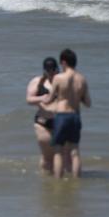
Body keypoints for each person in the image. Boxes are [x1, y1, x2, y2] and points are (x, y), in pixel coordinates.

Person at [42, 48, 92, 179]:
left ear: (64, 62)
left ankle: (58, 182)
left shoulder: (59, 78)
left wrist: (40, 100)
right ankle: (76, 181)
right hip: (75, 116)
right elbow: (88, 103)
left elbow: (49, 99)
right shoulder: (82, 79)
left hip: (62, 116)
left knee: (58, 151)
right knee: (75, 151)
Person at [26, 57, 59, 175]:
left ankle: (58, 180)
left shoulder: (62, 81)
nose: (51, 74)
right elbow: (29, 99)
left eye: (53, 71)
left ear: (57, 69)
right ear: (44, 70)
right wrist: (42, 98)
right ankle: (46, 181)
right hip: (42, 122)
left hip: (60, 122)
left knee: (60, 156)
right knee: (47, 156)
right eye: (48, 71)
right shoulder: (37, 81)